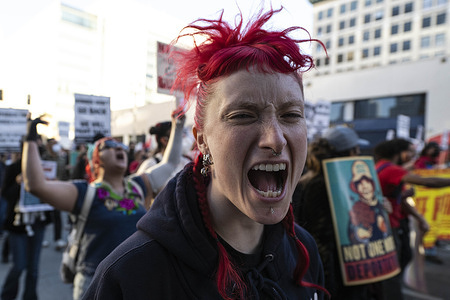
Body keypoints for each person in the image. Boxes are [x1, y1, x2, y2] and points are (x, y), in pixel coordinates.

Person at [83, 8, 328, 300]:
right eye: (243, 116)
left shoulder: (304, 251)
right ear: (202, 141)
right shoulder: (132, 275)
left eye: (290, 115)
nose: (275, 139)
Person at [21, 111, 186, 300]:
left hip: (137, 278)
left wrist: (178, 125)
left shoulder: (138, 185)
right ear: (96, 160)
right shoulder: (84, 192)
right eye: (109, 145)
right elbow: (35, 185)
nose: (119, 148)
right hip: (96, 283)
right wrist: (30, 137)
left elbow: (170, 162)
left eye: (121, 146)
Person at [293, 126, 379, 300]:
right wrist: (324, 279)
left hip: (331, 268)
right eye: (357, 149)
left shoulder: (310, 180)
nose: (359, 154)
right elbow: (321, 237)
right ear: (350, 152)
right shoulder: (325, 183)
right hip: (338, 272)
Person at [374, 138, 450, 299]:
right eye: (409, 151)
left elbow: (396, 197)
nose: (412, 155)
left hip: (389, 223)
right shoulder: (392, 169)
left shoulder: (381, 166)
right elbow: (428, 182)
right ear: (399, 152)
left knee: (399, 262)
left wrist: (419, 216)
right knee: (392, 271)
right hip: (390, 225)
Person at [0, 147, 52, 300]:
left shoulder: (44, 168)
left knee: (33, 268)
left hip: (37, 222)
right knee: (19, 265)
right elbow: (6, 195)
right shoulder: (13, 168)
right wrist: (18, 183)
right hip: (18, 225)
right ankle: (7, 296)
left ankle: (30, 296)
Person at [413, 141, 443, 264]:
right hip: (424, 198)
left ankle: (431, 245)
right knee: (426, 222)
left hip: (435, 198)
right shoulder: (420, 163)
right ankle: (428, 250)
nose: (436, 151)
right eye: (433, 149)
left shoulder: (434, 163)